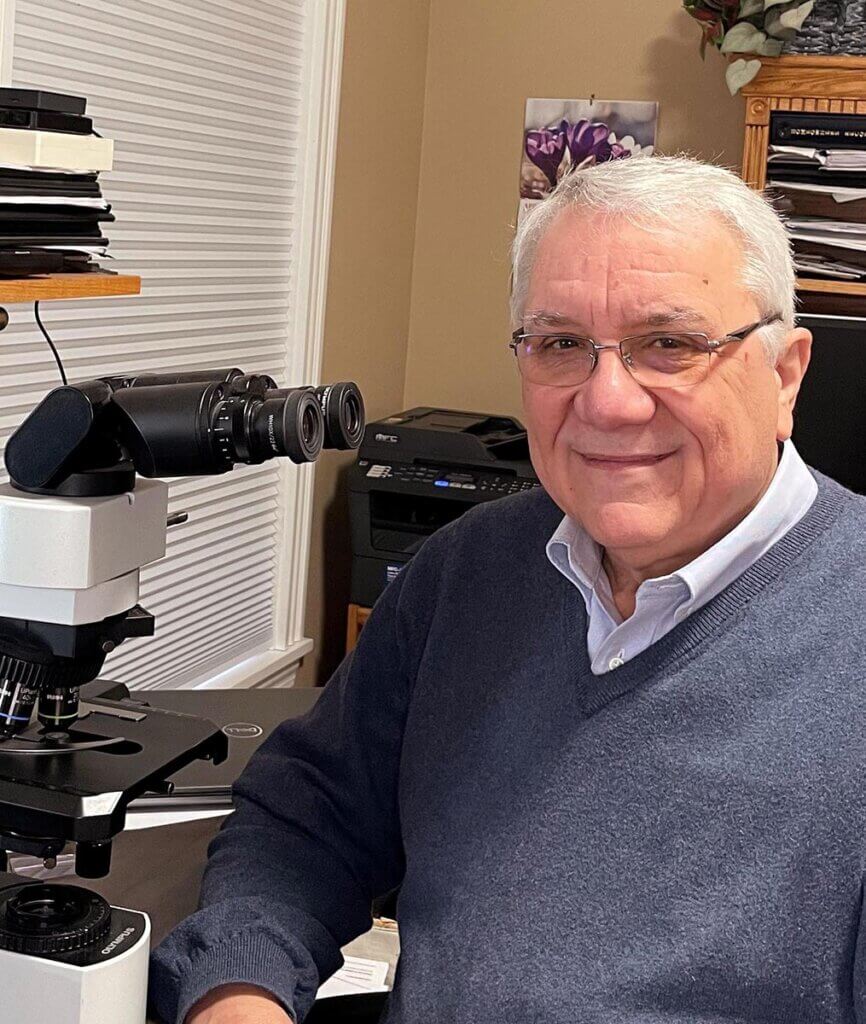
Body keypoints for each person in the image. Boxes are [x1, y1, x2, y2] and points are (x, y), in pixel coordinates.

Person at [149, 154, 866, 1024]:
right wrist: (238, 988)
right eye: (562, 344)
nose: (609, 403)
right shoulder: (467, 571)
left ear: (785, 373)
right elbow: (309, 820)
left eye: (669, 344)